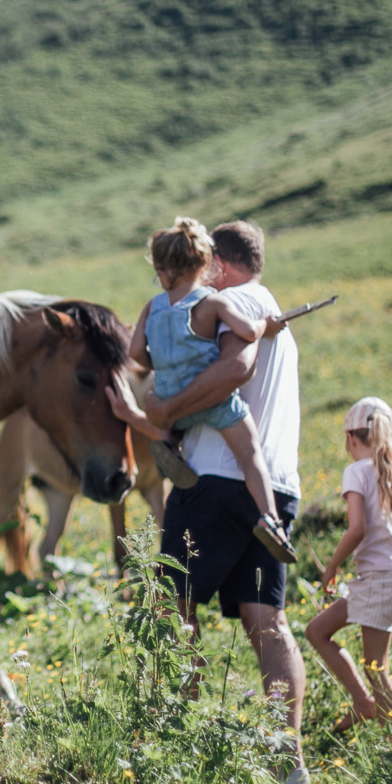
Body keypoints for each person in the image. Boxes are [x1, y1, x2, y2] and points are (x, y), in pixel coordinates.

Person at [109, 219, 310, 784]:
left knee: (173, 608)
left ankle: (175, 746)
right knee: (268, 621)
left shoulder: (228, 303)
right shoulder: (272, 312)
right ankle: (290, 763)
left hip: (213, 481)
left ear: (217, 262)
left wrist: (163, 411)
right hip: (274, 482)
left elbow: (235, 369)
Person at [127, 217, 295, 565]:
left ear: (162, 272)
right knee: (250, 453)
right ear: (206, 265)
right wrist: (267, 326)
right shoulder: (211, 303)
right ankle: (270, 519)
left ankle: (169, 445)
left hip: (173, 405)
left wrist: (160, 361)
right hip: (215, 405)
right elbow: (247, 331)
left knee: (169, 418)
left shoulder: (152, 307)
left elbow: (136, 352)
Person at [304, 397, 392, 732]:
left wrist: (331, 568)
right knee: (317, 631)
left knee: (375, 667)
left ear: (351, 439)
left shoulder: (355, 471)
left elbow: (357, 529)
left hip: (379, 579)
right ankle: (363, 702)